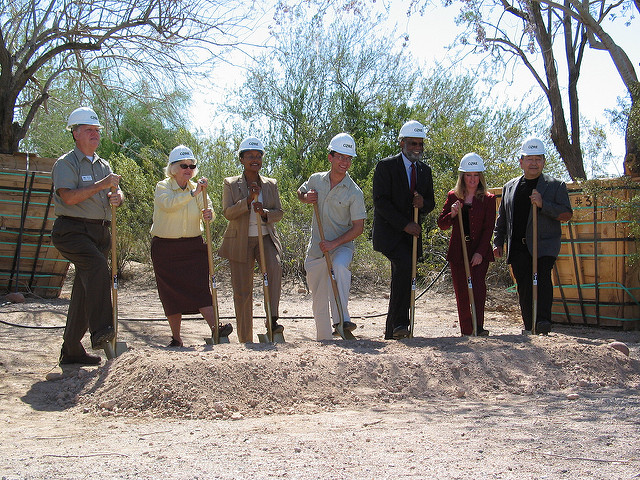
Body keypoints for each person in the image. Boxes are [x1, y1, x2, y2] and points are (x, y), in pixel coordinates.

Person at [52, 107, 123, 365]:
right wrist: (102, 185)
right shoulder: (66, 163)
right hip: (71, 230)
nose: (95, 135)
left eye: (97, 131)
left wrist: (117, 196)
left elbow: (115, 194)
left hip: (98, 231)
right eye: (90, 130)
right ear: (75, 133)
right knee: (96, 268)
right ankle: (102, 330)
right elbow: (68, 198)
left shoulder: (104, 165)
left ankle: (71, 350)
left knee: (85, 290)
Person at [150, 145, 233, 347]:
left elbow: (209, 210)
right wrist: (194, 193)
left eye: (191, 165)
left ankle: (216, 328)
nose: (188, 169)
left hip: (193, 247)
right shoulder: (163, 187)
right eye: (183, 165)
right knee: (169, 293)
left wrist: (208, 215)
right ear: (173, 168)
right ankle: (176, 338)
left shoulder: (198, 189)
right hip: (165, 248)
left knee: (200, 287)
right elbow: (168, 204)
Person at [493, 137, 573, 334]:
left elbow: (566, 214)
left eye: (538, 159)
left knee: (542, 279)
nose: (534, 163)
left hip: (543, 245)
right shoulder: (510, 187)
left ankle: (543, 321)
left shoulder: (555, 186)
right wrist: (498, 241)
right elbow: (503, 217)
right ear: (521, 162)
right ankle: (530, 324)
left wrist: (543, 205)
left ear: (544, 161)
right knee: (524, 286)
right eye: (530, 159)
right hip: (518, 246)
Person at [298, 133, 367, 340]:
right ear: (330, 157)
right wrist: (305, 197)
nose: (345, 162)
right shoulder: (315, 180)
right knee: (319, 298)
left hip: (341, 247)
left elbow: (358, 228)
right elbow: (299, 193)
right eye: (340, 156)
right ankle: (324, 341)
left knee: (338, 268)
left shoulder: (355, 193)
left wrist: (334, 243)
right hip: (316, 250)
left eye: (348, 158)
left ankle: (342, 320)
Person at [372, 120, 435, 339]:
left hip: (412, 238)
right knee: (405, 267)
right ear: (402, 143)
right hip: (390, 235)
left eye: (420, 144)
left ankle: (394, 331)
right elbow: (381, 202)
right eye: (412, 143)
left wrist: (422, 204)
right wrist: (405, 224)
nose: (417, 148)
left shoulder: (424, 171)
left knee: (405, 275)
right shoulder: (385, 166)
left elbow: (431, 203)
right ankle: (400, 323)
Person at [219, 137, 284, 343]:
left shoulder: (270, 184)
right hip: (240, 241)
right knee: (242, 290)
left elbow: (279, 212)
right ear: (241, 159)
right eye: (250, 156)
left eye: (258, 156)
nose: (254, 160)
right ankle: (245, 338)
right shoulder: (230, 184)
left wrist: (264, 212)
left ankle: (272, 322)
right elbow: (228, 212)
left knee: (274, 267)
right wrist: (247, 201)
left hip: (265, 238)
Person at [437, 153, 496, 336]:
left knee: (478, 289)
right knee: (462, 291)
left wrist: (479, 252)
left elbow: (488, 228)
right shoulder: (454, 196)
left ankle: (478, 327)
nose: (472, 179)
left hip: (479, 251)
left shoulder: (488, 199)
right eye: (468, 175)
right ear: (462, 177)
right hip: (458, 252)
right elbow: (442, 224)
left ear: (481, 177)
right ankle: (466, 330)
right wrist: (453, 214)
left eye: (476, 175)